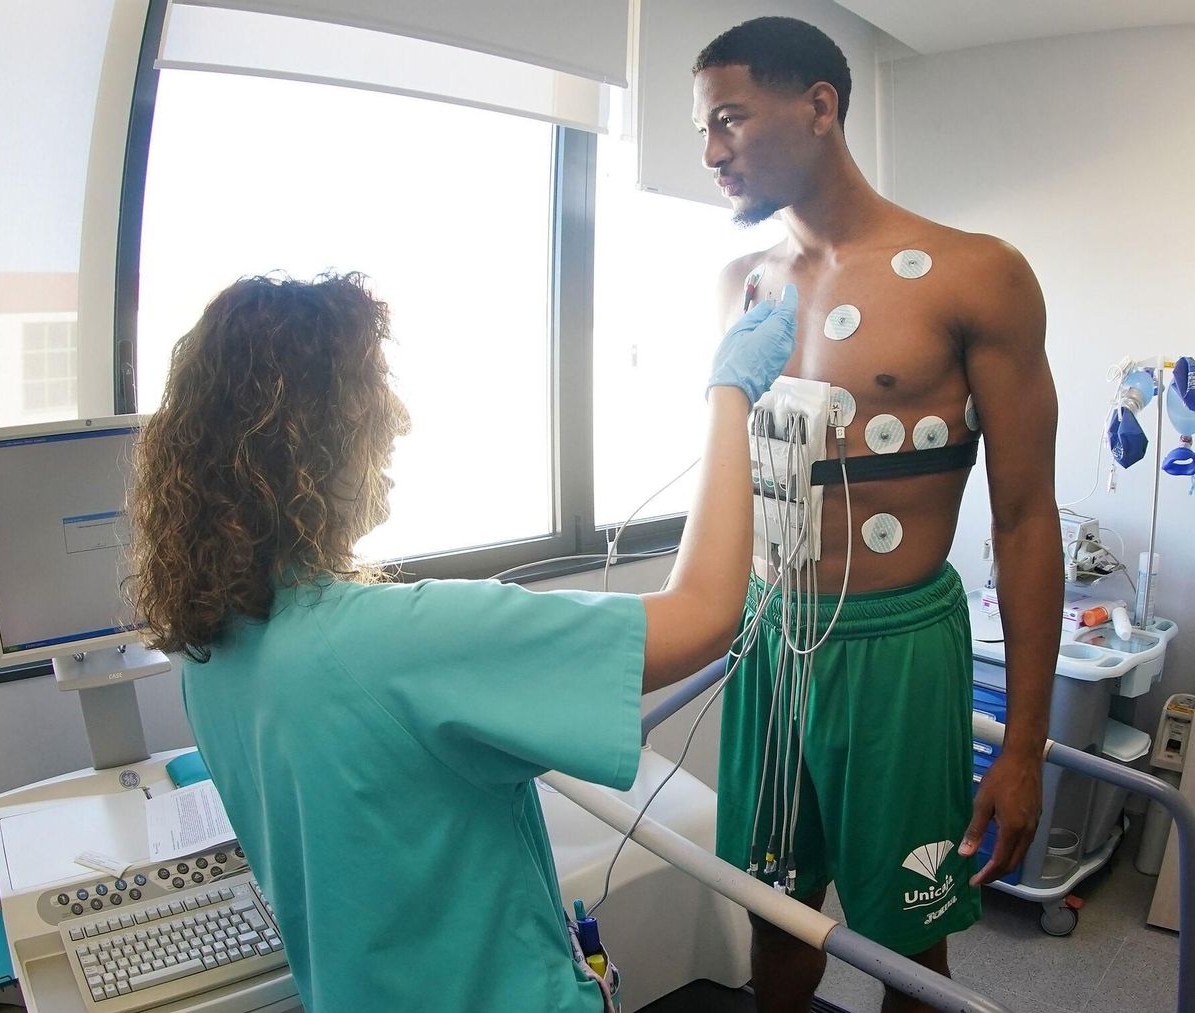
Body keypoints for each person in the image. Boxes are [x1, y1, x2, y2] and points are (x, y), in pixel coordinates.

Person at [126, 271, 797, 1012]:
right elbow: (704, 613)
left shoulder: (209, 642)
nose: (399, 418)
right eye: (375, 392)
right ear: (307, 436)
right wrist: (729, 397)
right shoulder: (397, 641)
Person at [692, 18, 1062, 1013]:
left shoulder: (974, 272)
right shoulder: (744, 284)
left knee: (907, 933)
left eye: (729, 119)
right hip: (772, 643)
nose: (712, 152)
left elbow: (1025, 518)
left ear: (819, 106)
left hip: (898, 651)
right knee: (769, 905)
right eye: (703, 130)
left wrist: (1022, 745)